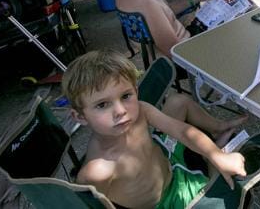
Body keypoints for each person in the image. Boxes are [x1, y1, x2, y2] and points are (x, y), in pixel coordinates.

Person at [63, 50, 248, 208]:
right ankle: (212, 161)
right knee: (228, 183)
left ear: (135, 91)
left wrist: (218, 155)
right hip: (172, 200)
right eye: (102, 105)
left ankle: (217, 130)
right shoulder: (98, 170)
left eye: (126, 96)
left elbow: (183, 132)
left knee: (178, 101)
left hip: (170, 161)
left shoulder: (141, 110)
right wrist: (216, 159)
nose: (120, 111)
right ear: (80, 117)